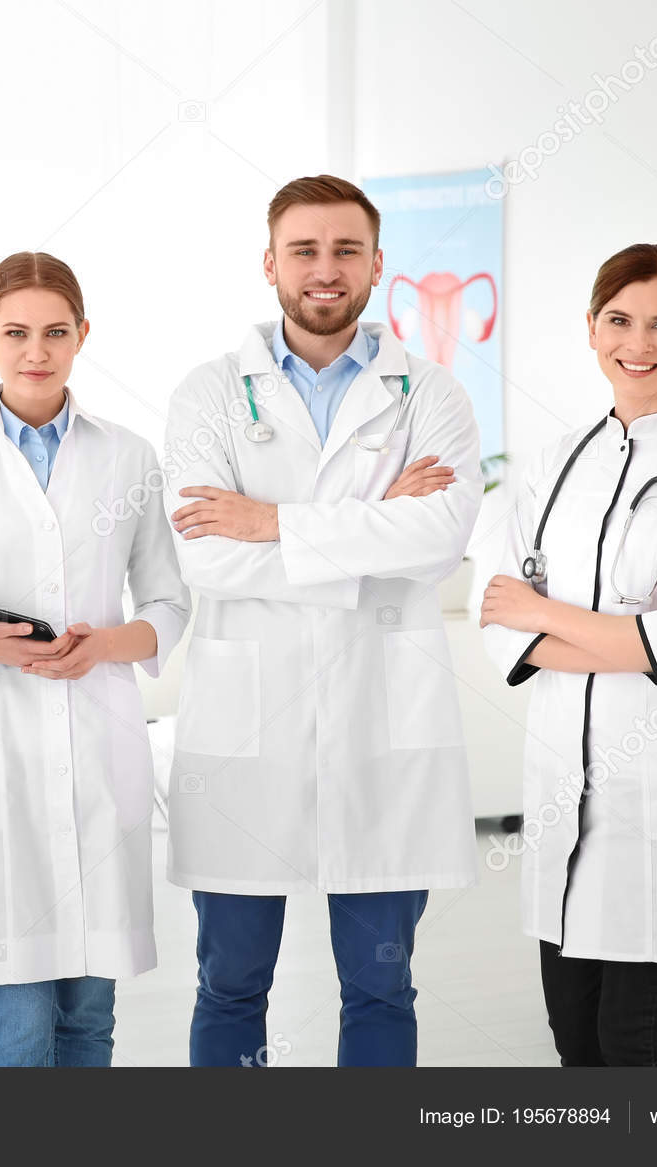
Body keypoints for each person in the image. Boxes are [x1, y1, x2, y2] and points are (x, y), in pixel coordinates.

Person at [162, 175, 483, 1067]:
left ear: (378, 265)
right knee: (230, 983)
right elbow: (204, 556)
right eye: (304, 249)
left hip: (385, 727)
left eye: (346, 250)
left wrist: (269, 519)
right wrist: (374, 521)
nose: (325, 268)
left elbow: (441, 538)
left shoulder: (433, 394)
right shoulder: (208, 394)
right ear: (270, 263)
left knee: (381, 986)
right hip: (245, 732)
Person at [0, 252, 190, 1066]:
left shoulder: (128, 455)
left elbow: (167, 604)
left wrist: (103, 647)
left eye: (55, 332)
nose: (36, 351)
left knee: (90, 1016)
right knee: (17, 1021)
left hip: (99, 739)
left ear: (83, 335)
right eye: (15, 332)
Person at [479, 243, 657, 1067]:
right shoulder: (552, 465)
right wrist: (624, 635)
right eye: (620, 320)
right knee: (576, 1044)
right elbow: (501, 625)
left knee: (633, 1044)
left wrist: (547, 614)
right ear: (593, 330)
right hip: (564, 795)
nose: (638, 342)